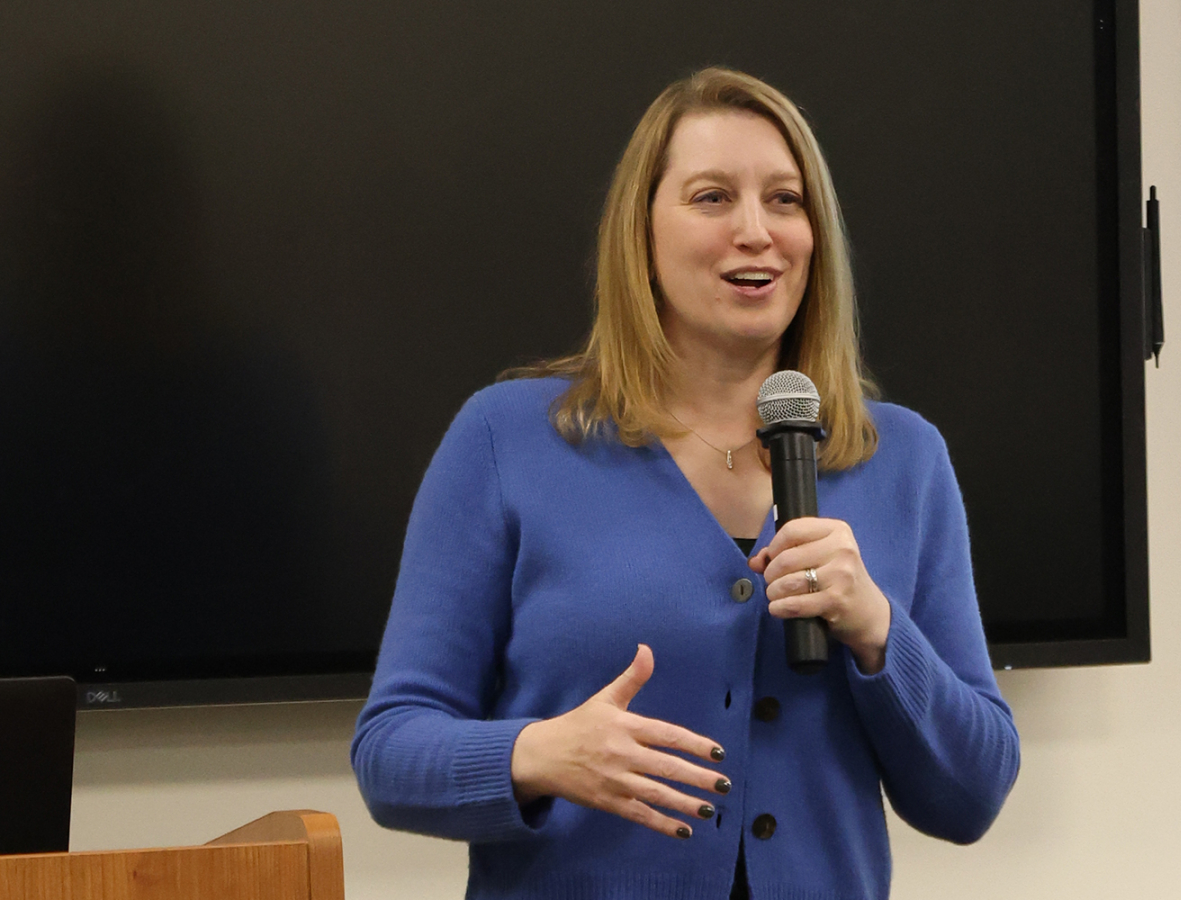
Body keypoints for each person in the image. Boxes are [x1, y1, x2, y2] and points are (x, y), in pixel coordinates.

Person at [351, 66, 1019, 899]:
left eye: (785, 199)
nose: (756, 231)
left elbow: (974, 793)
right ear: (643, 233)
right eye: (711, 198)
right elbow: (390, 756)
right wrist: (540, 754)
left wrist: (878, 629)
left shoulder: (903, 459)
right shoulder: (507, 439)